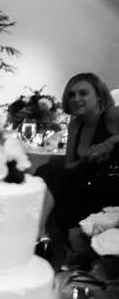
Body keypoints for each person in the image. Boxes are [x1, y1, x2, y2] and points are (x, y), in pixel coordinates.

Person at [36, 72, 119, 257]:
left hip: (110, 187)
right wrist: (83, 161)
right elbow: (69, 166)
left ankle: (40, 238)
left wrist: (112, 141)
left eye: (83, 93)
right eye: (72, 95)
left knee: (48, 173)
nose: (76, 99)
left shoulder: (112, 116)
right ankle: (41, 235)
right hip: (84, 184)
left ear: (98, 95)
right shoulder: (75, 125)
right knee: (48, 172)